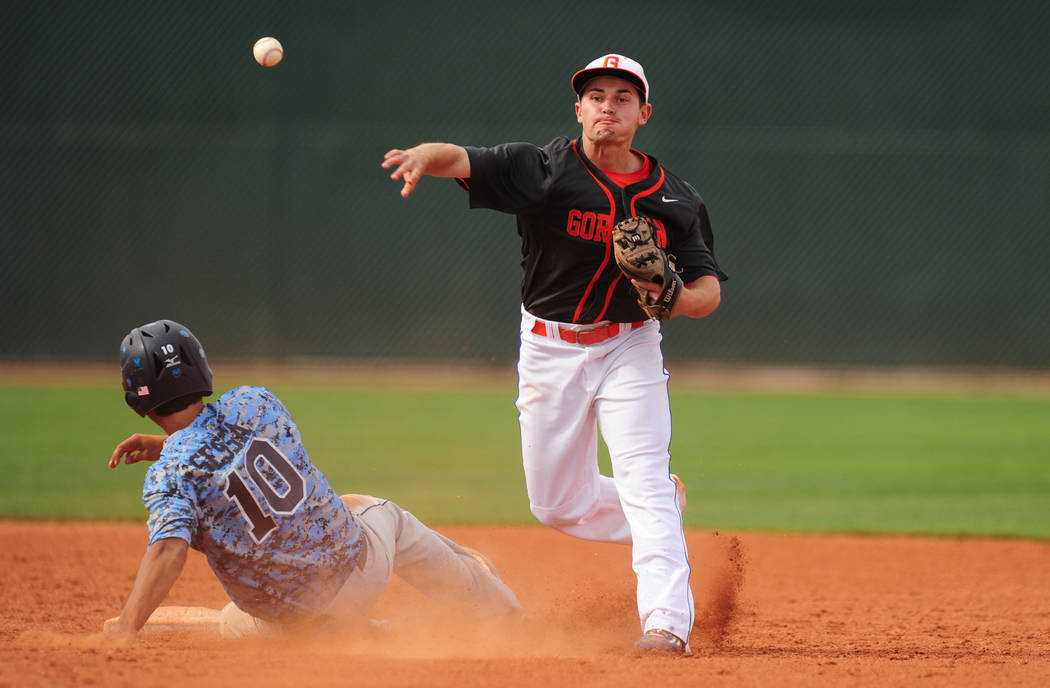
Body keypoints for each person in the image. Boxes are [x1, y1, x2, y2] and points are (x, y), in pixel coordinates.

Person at [381, 54, 727, 655]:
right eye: (596, 96)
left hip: (629, 346)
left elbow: (709, 292)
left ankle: (666, 625)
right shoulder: (541, 170)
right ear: (579, 110)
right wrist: (421, 159)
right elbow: (460, 158)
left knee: (641, 482)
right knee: (554, 504)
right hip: (549, 349)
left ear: (643, 113)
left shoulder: (674, 199)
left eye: (622, 97)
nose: (607, 107)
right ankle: (661, 510)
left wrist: (673, 298)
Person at [104, 319, 521, 642]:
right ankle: (498, 611)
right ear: (200, 367)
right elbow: (225, 446)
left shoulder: (170, 475)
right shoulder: (255, 401)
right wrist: (173, 444)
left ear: (136, 399)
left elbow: (168, 550)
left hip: (291, 620)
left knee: (235, 622)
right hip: (357, 573)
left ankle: (359, 634)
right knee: (376, 511)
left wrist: (127, 629)